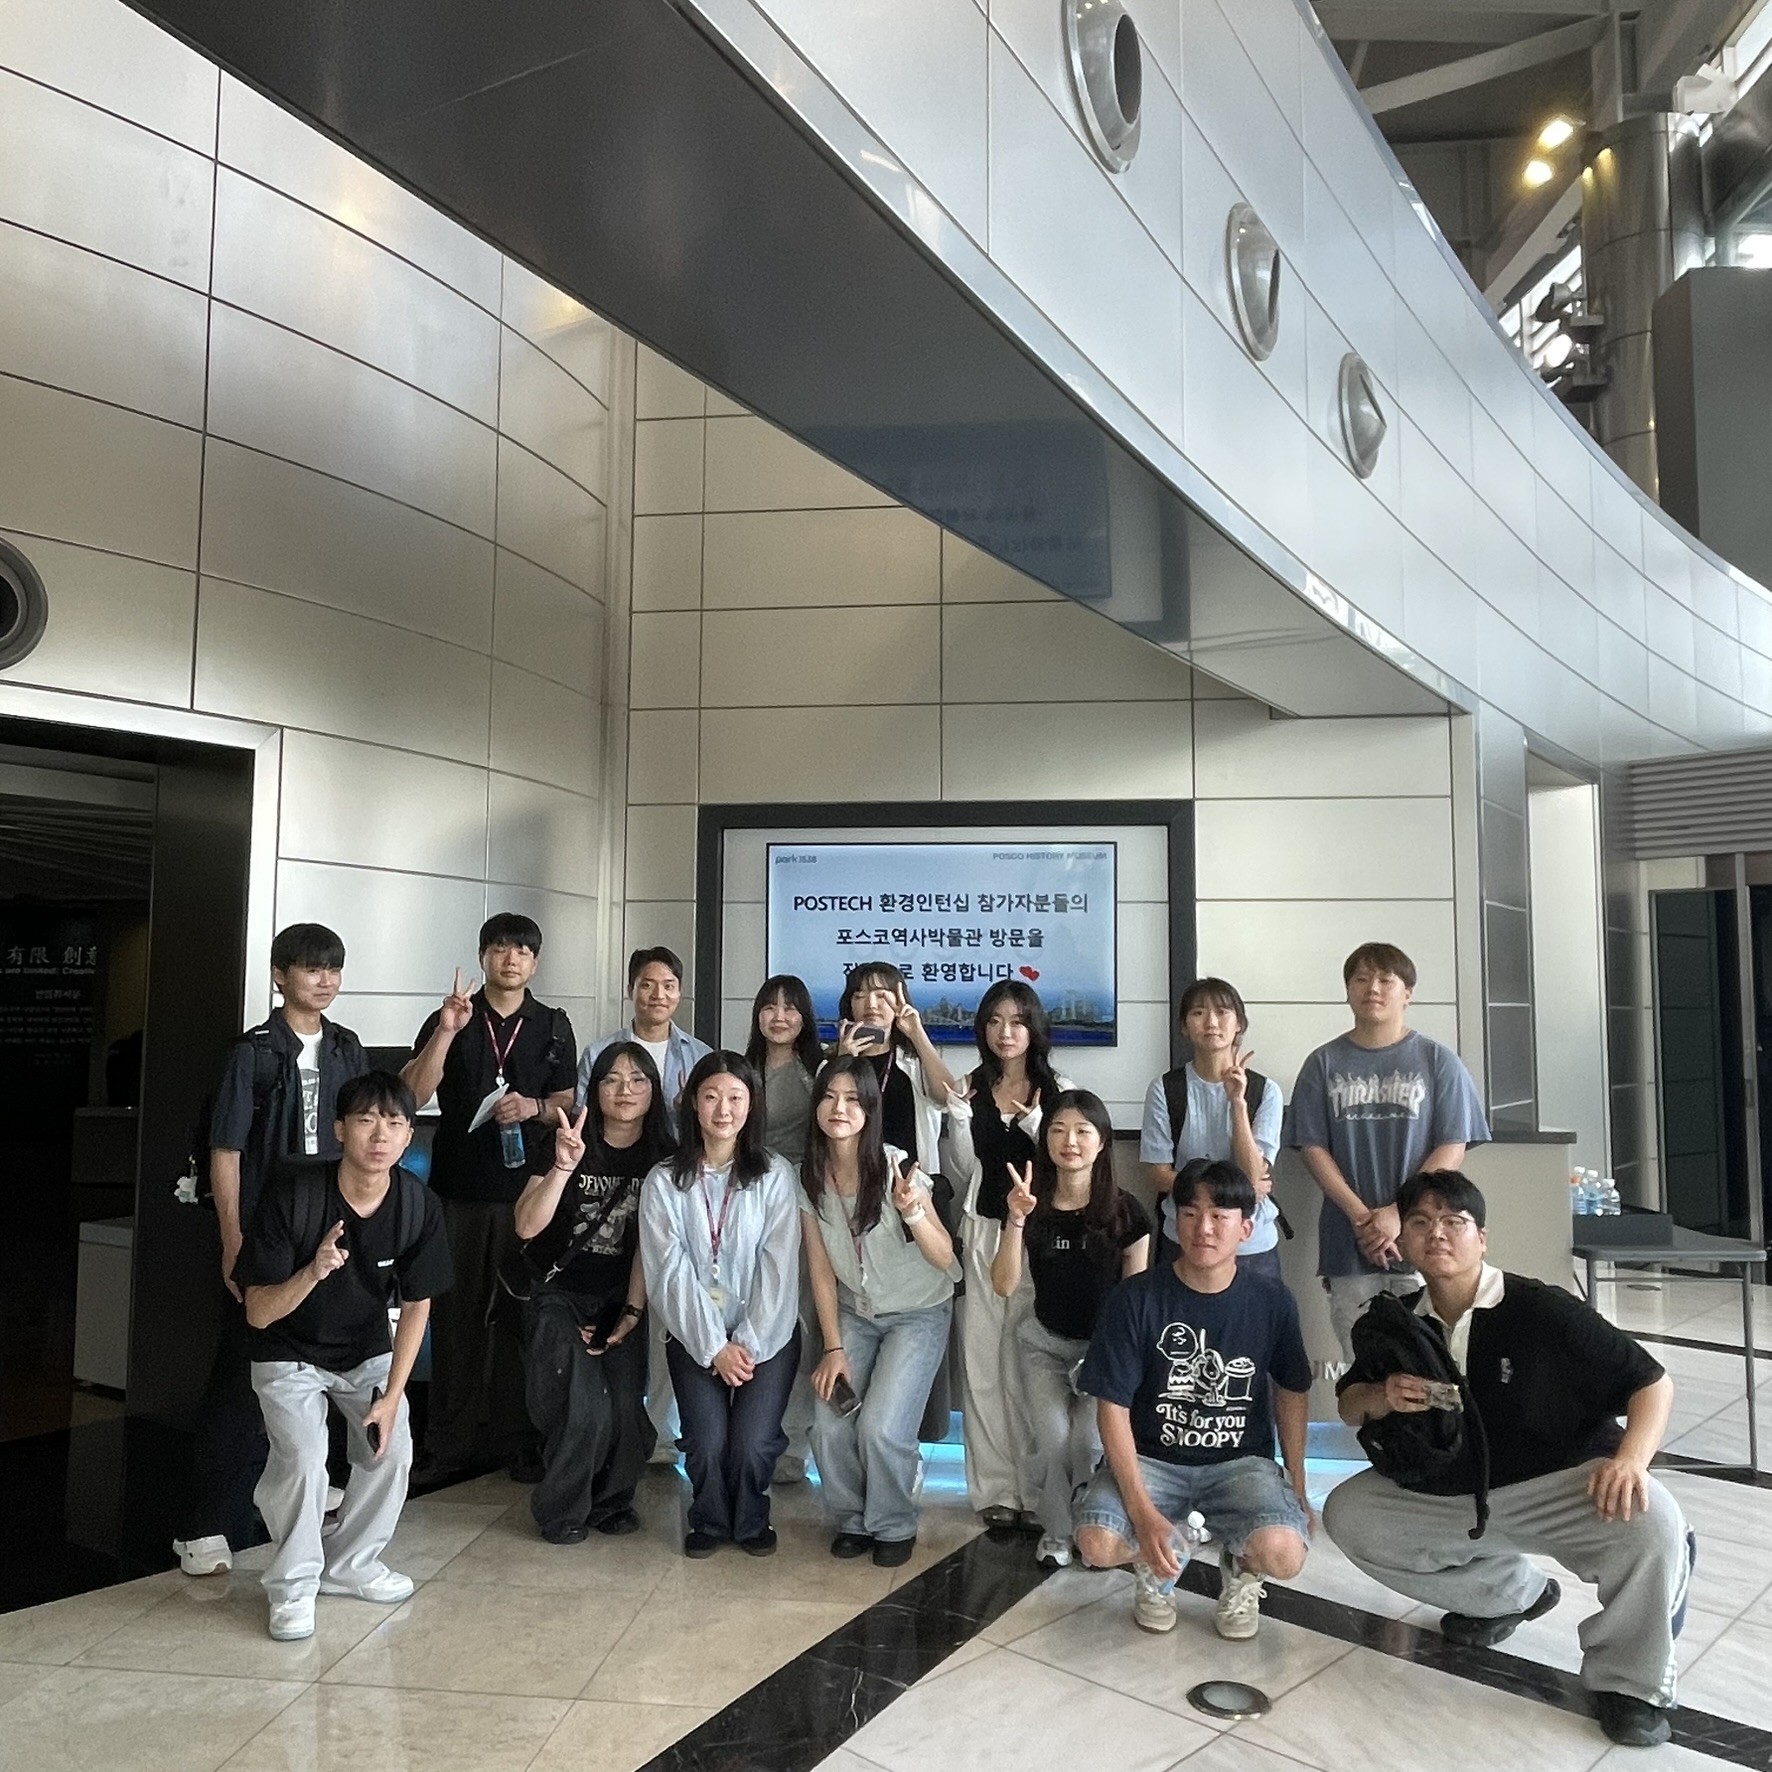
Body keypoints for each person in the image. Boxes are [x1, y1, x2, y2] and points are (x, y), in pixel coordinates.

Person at [1326, 1171, 1693, 1750]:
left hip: (1562, 1482)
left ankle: (1630, 1685)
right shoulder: (1395, 1322)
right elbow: (1350, 1405)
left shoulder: (1540, 1309)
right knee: (1350, 1513)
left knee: (1652, 1521)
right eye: (1420, 1222)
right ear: (1404, 1240)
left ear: (1482, 1238)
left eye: (1454, 1222)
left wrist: (1631, 1460)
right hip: (1452, 1489)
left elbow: (1652, 1383)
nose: (1436, 1233)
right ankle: (1511, 1596)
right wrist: (1382, 1395)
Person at [172, 922, 367, 1579]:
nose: (325, 980)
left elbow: (369, 1127)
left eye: (333, 968)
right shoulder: (252, 1053)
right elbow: (225, 1151)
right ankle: (206, 1526)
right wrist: (232, 1241)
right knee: (242, 1375)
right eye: (312, 968)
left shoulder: (346, 1047)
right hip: (265, 1235)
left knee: (318, 1364)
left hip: (327, 1233)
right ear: (280, 975)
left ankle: (303, 1489)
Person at [235, 1072, 452, 1642]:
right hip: (287, 1349)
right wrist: (313, 1270)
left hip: (363, 1349)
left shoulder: (415, 1204)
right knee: (306, 1460)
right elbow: (257, 1312)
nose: (380, 1135)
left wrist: (394, 1397)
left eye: (394, 1123)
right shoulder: (296, 1195)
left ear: (408, 1136)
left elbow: (418, 1304)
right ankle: (293, 1585)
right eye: (366, 1120)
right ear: (339, 1129)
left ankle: (350, 1565)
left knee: (392, 1445)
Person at [1074, 1159, 1313, 1642]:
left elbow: (1291, 1390)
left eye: (1219, 1216)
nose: (1203, 1228)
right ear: (1174, 1222)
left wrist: (1299, 1485)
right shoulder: (1135, 1298)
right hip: (1151, 1460)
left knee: (1286, 1554)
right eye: (1190, 1213)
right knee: (1096, 1544)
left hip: (1239, 1465)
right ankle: (1157, 1562)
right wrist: (1143, 1515)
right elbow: (1111, 1408)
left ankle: (1241, 1567)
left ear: (1245, 1229)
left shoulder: (1272, 1300)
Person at [404, 913, 578, 1487]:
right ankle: (447, 1443)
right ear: (483, 956)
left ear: (535, 962)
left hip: (528, 1195)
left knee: (518, 1321)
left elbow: (568, 1102)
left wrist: (534, 1108)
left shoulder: (553, 1025)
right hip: (456, 1191)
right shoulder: (452, 1015)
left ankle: (518, 1442)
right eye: (500, 948)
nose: (511, 959)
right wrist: (446, 1031)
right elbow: (412, 1094)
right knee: (453, 1319)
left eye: (523, 951)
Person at [1287, 942, 1490, 1363]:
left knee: (1438, 1364)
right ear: (1347, 991)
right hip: (1350, 1244)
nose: (1373, 988)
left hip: (1426, 1239)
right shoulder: (1322, 1063)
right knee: (1364, 1366)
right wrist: (1363, 1218)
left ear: (1407, 993)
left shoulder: (1438, 1061)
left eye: (1385, 979)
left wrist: (1400, 1212)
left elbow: (1452, 1144)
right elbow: (1312, 1148)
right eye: (1361, 979)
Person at [639, 1051, 800, 1555]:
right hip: (694, 1334)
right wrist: (714, 1347)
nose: (723, 1109)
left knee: (751, 1445)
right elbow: (668, 1272)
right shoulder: (664, 1180)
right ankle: (708, 1520)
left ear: (752, 1105)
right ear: (692, 1102)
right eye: (711, 1096)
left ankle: (750, 1519)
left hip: (765, 1335)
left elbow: (779, 1267)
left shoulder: (774, 1175)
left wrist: (745, 1344)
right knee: (706, 1444)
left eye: (735, 1097)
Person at [801, 1057, 960, 1566]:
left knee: (881, 1427)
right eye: (830, 1096)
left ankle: (892, 1523)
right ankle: (852, 1518)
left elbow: (946, 1258)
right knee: (830, 1421)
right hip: (855, 1313)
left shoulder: (898, 1168)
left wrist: (913, 1210)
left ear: (870, 1109)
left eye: (853, 1099)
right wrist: (832, 1347)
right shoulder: (809, 1176)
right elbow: (821, 1271)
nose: (839, 1108)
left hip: (918, 1312)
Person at [512, 1043, 673, 1544]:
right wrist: (563, 1167)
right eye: (612, 1079)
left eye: (638, 1079)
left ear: (654, 1090)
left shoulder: (666, 1156)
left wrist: (631, 1311)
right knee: (584, 1405)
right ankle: (561, 1511)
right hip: (558, 1291)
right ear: (595, 1088)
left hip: (622, 1296)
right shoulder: (564, 1140)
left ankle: (612, 1501)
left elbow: (652, 1245)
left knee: (624, 1404)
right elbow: (525, 1226)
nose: (625, 1090)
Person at [994, 1089, 1150, 1569]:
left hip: (1103, 1351)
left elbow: (1136, 1300)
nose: (1071, 1141)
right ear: (1045, 1140)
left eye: (1083, 1131)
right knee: (1054, 1438)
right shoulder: (1030, 1205)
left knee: (1087, 1441)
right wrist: (1015, 1220)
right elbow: (1003, 1284)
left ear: (1102, 1142)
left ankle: (1092, 1524)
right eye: (1059, 1130)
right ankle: (1059, 1532)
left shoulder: (1127, 1212)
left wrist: (1113, 1360)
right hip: (1043, 1344)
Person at [942, 979, 1066, 1529]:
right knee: (982, 1363)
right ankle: (995, 1489)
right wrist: (957, 1122)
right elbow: (962, 1172)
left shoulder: (1058, 1090)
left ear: (1033, 1028)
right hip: (983, 1230)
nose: (1005, 1032)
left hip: (1038, 1241)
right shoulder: (970, 1088)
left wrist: (1038, 1125)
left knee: (1028, 1366)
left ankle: (1037, 1490)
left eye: (1016, 1021)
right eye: (994, 1021)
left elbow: (1069, 1164)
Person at [1140, 978, 1284, 1281]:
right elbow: (1159, 1175)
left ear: (1239, 1024)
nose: (1211, 1022)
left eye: (1222, 1012)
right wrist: (1234, 1191)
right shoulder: (1165, 1089)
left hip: (1250, 1243)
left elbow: (1252, 1174)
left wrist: (1238, 1103)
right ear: (1184, 1026)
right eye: (1198, 1012)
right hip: (1184, 1239)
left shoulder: (1265, 1091)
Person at [744, 973, 825, 1483]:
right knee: (746, 1313)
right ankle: (747, 1431)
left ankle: (793, 1440)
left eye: (790, 1007)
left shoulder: (818, 1072)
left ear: (804, 1017)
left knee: (798, 1320)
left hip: (799, 1201)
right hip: (742, 1199)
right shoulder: (739, 1069)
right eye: (770, 1006)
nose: (779, 1016)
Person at [578, 945, 712, 1132]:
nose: (659, 995)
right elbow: (580, 1114)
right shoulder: (597, 1053)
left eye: (668, 986)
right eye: (647, 985)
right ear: (630, 990)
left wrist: (689, 1111)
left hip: (679, 1149)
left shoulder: (700, 1056)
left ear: (679, 992)